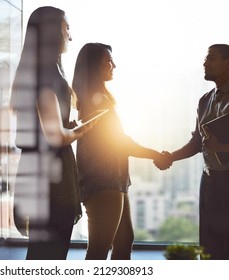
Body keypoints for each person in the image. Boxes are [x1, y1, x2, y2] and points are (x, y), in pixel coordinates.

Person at [155, 44, 229, 260]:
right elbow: (198, 143)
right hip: (210, 182)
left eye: (211, 59)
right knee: (209, 247)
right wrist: (170, 157)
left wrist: (222, 147)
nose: (204, 63)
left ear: (228, 64)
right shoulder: (204, 100)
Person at [9, 6, 95, 260]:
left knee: (43, 250)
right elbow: (56, 136)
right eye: (66, 28)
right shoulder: (45, 75)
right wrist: (84, 128)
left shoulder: (41, 71)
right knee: (50, 254)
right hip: (51, 177)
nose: (70, 36)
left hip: (39, 171)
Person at [72, 42, 167, 260]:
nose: (114, 65)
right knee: (98, 251)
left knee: (124, 242)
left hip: (115, 181)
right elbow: (121, 143)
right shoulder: (95, 103)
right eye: (108, 61)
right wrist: (156, 155)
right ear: (94, 66)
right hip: (102, 182)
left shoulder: (100, 99)